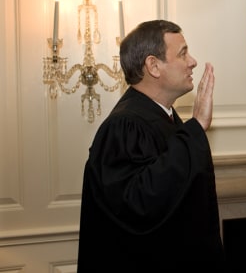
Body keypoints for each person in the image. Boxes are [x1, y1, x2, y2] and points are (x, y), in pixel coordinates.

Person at [77, 20, 226, 272]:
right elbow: (139, 205)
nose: (193, 61)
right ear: (153, 66)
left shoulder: (165, 117)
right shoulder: (124, 125)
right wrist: (196, 127)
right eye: (182, 53)